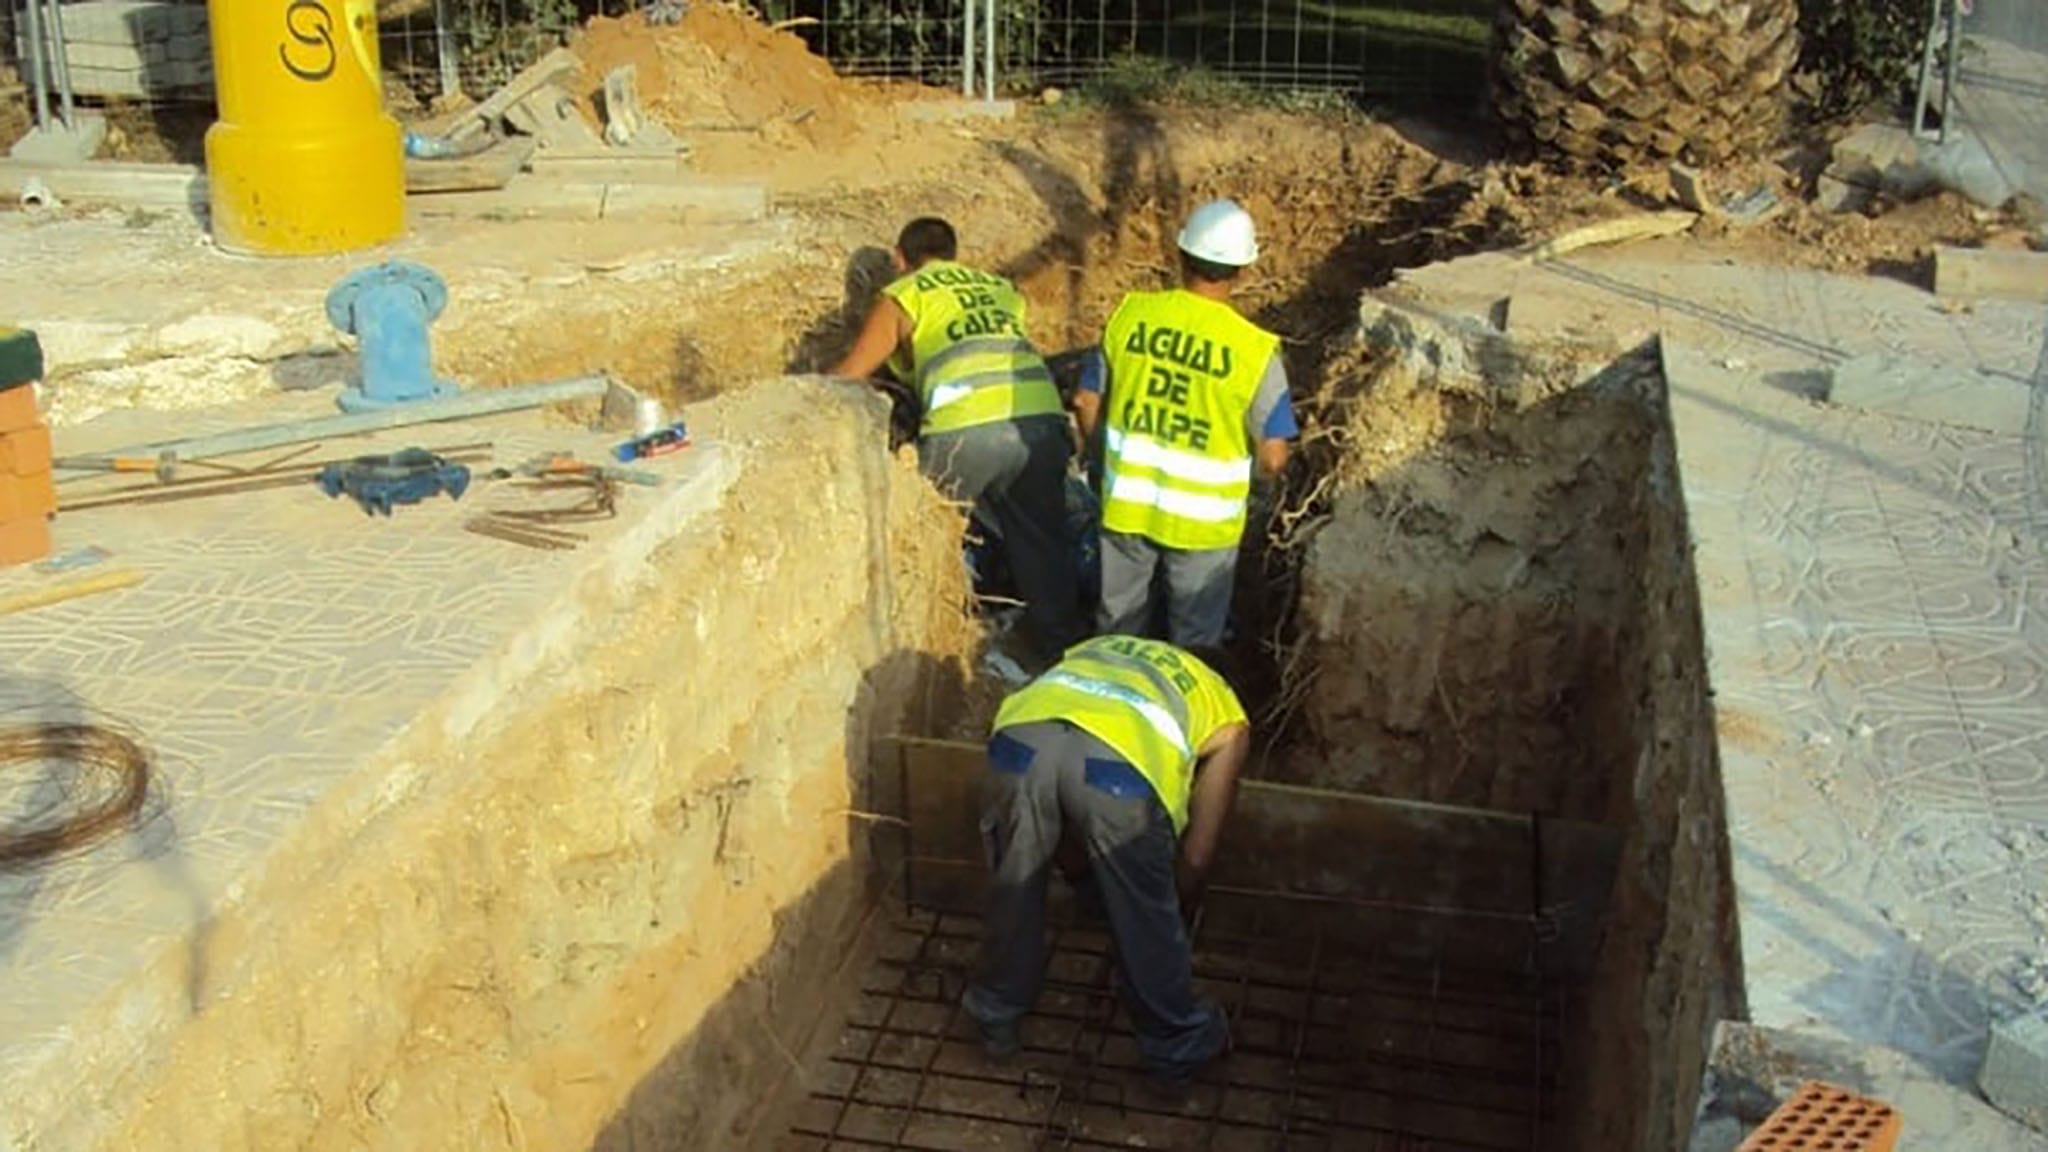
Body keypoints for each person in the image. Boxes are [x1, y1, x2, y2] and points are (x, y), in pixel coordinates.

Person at [961, 634, 1250, 1094]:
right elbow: (1196, 856)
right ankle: (1177, 1043)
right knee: (1146, 914)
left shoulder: (1107, 646)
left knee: (1014, 885)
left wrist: (1089, 887)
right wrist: (1168, 909)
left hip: (1019, 741)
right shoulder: (1225, 710)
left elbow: (1061, 777)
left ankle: (994, 1017)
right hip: (1117, 770)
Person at [832, 217, 1083, 665]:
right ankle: (1059, 655)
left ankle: (939, 651)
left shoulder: (906, 294)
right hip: (1040, 423)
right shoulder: (1000, 289)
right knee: (1042, 544)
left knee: (931, 532)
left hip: (965, 429)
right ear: (953, 252)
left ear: (899, 258)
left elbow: (850, 375)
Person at [1073, 199, 1298, 648]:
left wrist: (1101, 462)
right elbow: (1273, 455)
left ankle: (1112, 707)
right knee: (1194, 646)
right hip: (1205, 525)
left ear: (1180, 257)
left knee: (1117, 628)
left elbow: (1083, 400)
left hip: (1128, 503)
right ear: (1243, 270)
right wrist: (1256, 493)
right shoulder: (1253, 350)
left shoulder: (1130, 315)